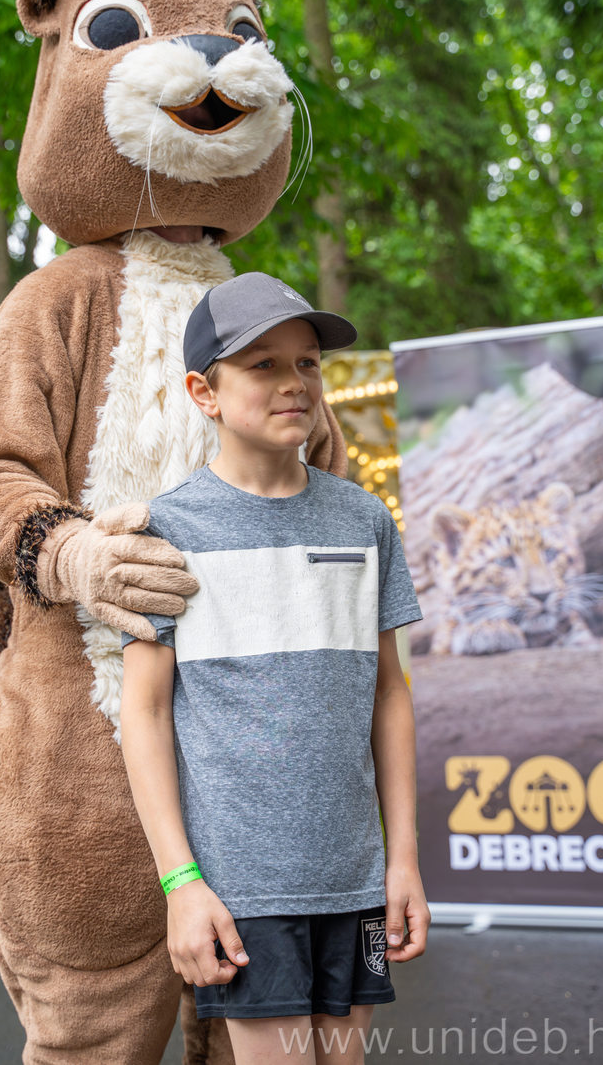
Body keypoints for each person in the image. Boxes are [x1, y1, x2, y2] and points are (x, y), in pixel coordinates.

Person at [119, 273, 430, 1065]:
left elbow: (389, 694)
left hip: (357, 883)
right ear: (205, 392)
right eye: (263, 364)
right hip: (243, 892)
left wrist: (403, 860)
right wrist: (181, 883)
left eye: (307, 362)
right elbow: (144, 715)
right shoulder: (167, 531)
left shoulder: (364, 519)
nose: (294, 381)